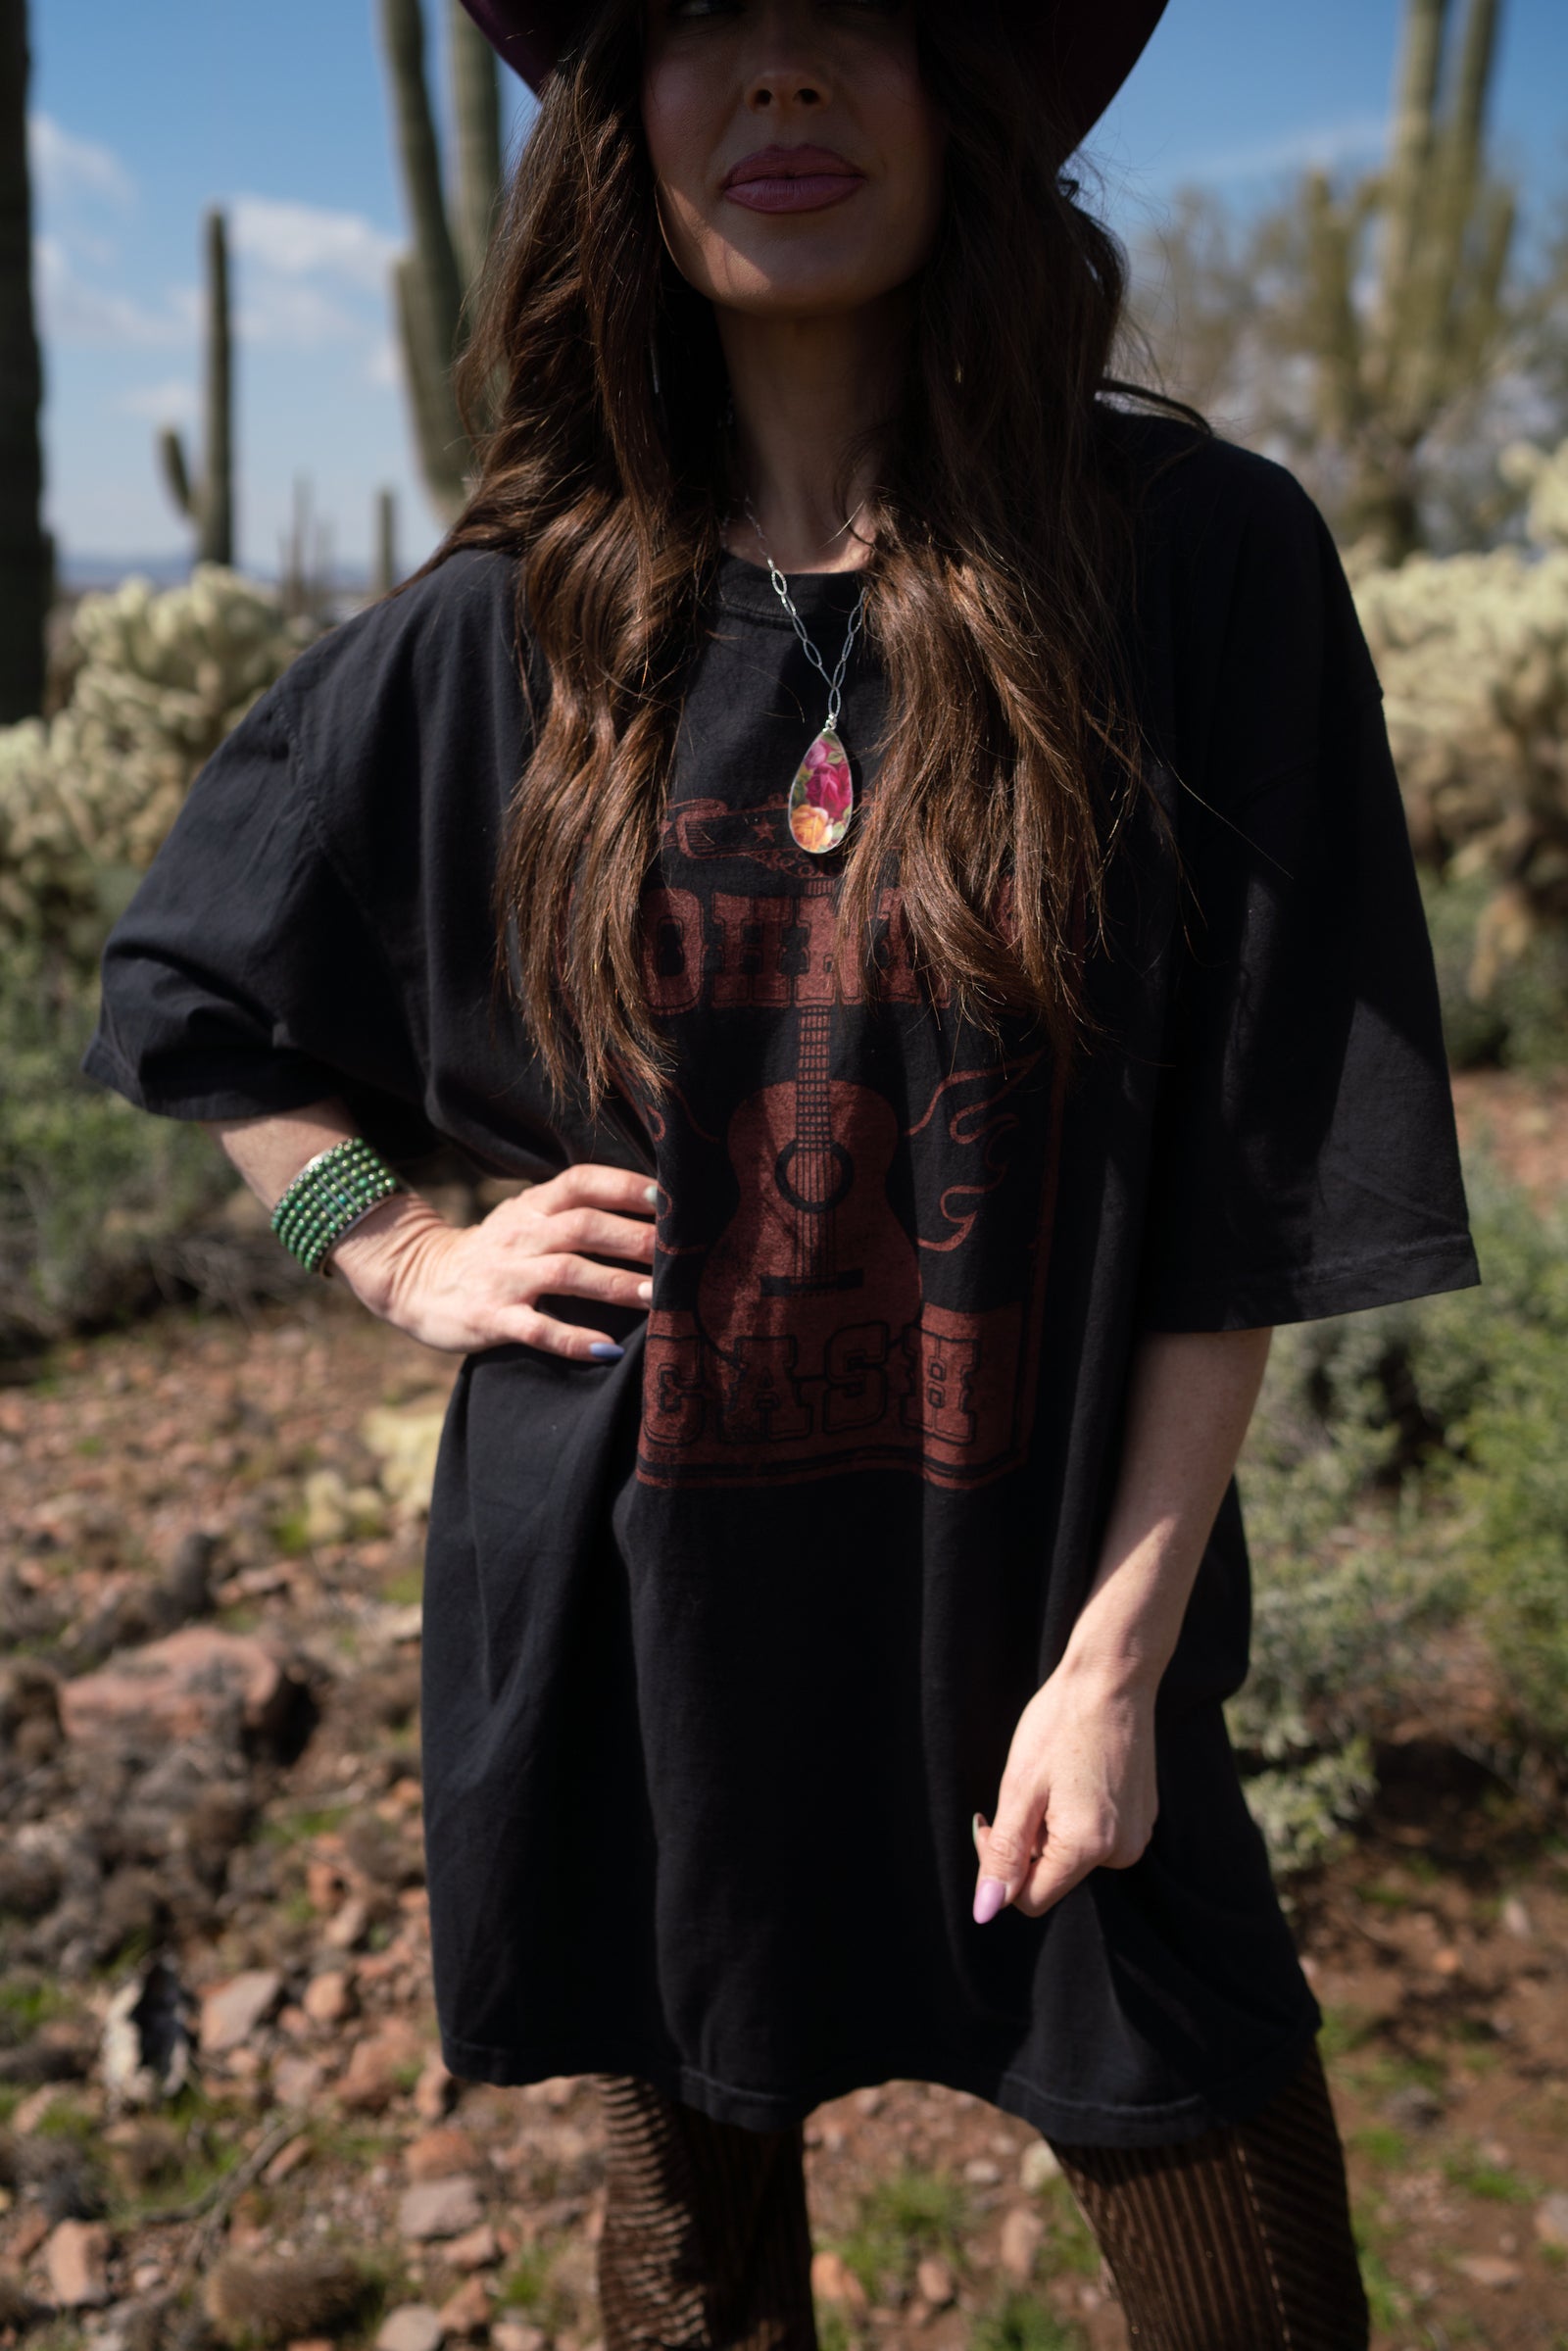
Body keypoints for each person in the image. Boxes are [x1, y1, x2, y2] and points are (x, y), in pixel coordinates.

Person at [84, 2, 1480, 2344]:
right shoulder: (508, 629)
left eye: (856, 14)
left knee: (1244, 2260)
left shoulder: (1184, 566)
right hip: (649, 1640)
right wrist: (395, 1249)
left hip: (1046, 1626)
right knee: (691, 2281)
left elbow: (1246, 1181)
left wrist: (1114, 1666)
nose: (786, 82)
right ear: (620, 121)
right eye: (710, 20)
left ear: (963, 95)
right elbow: (193, 992)